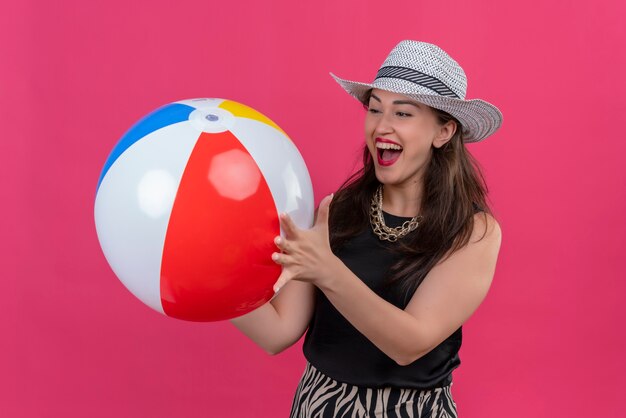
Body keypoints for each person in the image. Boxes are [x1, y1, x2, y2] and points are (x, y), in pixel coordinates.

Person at [231, 40, 503, 418]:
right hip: (320, 404)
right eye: (374, 109)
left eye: (403, 114)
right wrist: (208, 276)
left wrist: (327, 271)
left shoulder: (472, 231)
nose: (382, 126)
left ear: (443, 132)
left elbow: (410, 342)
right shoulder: (337, 211)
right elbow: (278, 332)